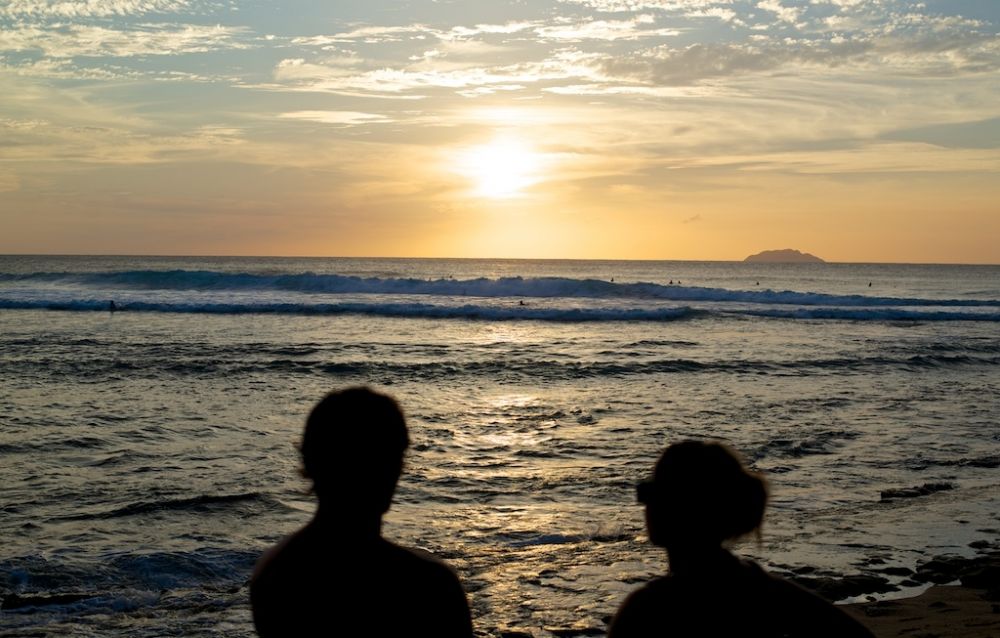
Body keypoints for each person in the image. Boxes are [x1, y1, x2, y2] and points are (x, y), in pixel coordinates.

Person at [250, 387, 473, 637]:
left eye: (390, 458)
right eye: (379, 459)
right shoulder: (428, 584)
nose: (384, 473)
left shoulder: (274, 573)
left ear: (310, 463)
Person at [608, 440, 874, 638]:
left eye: (650, 492)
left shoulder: (651, 610)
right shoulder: (767, 591)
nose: (645, 504)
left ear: (682, 505)